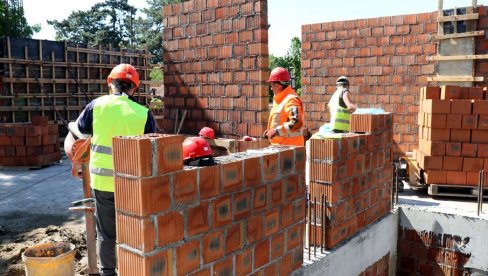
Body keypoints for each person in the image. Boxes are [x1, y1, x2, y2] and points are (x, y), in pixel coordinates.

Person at [76, 63, 157, 276]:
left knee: (106, 233)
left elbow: (81, 131)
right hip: (132, 184)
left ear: (110, 83)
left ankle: (108, 272)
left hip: (102, 183)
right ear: (134, 88)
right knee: (133, 229)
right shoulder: (143, 113)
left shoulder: (96, 106)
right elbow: (153, 148)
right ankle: (135, 269)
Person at [264, 67, 305, 146]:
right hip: (280, 148)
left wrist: (276, 131)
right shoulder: (279, 100)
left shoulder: (291, 100)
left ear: (278, 86)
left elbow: (297, 122)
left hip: (290, 150)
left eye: (271, 86)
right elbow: (279, 122)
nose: (271, 89)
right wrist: (270, 131)